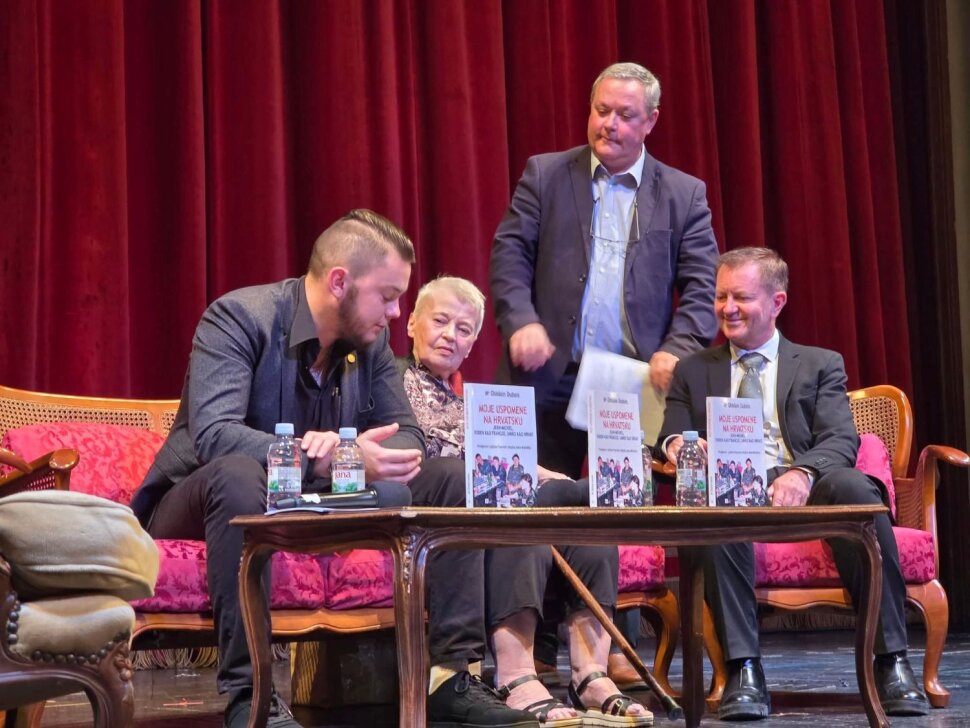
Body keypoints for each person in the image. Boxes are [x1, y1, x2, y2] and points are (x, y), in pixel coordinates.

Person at [130, 211, 537, 728]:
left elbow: (408, 436)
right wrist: (314, 455)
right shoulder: (239, 317)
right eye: (387, 296)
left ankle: (448, 679)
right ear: (340, 282)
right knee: (239, 474)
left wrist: (359, 459)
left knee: (451, 479)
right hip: (205, 498)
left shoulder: (369, 345)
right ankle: (250, 696)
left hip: (317, 497)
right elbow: (214, 434)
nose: (396, 312)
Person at [490, 61, 720, 681]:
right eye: (601, 110)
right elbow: (510, 254)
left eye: (624, 115)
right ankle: (535, 648)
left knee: (613, 507)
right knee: (536, 505)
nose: (609, 124)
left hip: (629, 382)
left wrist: (678, 345)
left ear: (651, 122)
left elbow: (702, 285)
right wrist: (521, 321)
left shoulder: (683, 193)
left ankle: (607, 641)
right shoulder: (546, 174)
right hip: (546, 373)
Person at [657, 246, 929, 720]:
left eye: (741, 297)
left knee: (856, 491)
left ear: (777, 302)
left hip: (806, 482)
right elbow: (671, 433)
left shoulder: (819, 363)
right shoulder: (693, 369)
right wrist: (678, 446)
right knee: (719, 506)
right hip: (734, 486)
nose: (727, 308)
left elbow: (840, 438)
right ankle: (744, 671)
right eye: (721, 297)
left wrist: (801, 473)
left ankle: (892, 663)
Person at [401, 276, 652, 727]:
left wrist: (545, 474)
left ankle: (590, 674)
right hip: (435, 508)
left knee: (582, 508)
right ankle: (515, 676)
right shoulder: (392, 383)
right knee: (521, 504)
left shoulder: (467, 400)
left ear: (473, 343)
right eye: (440, 321)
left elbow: (498, 456)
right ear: (411, 324)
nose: (450, 335)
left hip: (489, 495)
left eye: (463, 329)